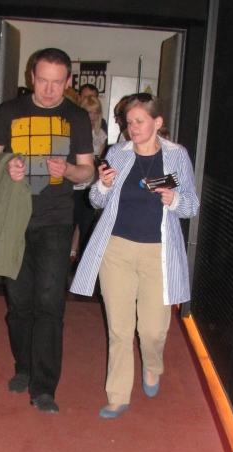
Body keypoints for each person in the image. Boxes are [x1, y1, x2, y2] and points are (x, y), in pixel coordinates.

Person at [70, 93, 199, 418]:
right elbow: (96, 201)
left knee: (153, 330)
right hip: (117, 250)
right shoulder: (118, 153)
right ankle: (117, 395)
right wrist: (102, 185)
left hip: (159, 253)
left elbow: (191, 206)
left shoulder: (176, 155)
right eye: (129, 122)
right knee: (120, 329)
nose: (133, 128)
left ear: (157, 122)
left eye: (140, 121)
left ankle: (152, 365)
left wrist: (173, 199)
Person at [0, 48, 94, 414]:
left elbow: (87, 170)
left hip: (56, 221)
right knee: (19, 305)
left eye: (56, 83)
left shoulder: (76, 117)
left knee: (50, 303)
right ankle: (24, 367)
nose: (48, 89)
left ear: (69, 81)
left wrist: (68, 171)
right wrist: (5, 164)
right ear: (32, 76)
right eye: (42, 81)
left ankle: (44, 387)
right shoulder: (10, 111)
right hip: (13, 220)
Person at [71, 95, 108, 260]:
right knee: (70, 224)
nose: (92, 116)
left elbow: (101, 158)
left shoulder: (100, 133)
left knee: (87, 225)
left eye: (95, 112)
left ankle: (83, 262)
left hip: (91, 184)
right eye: (89, 112)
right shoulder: (74, 130)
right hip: (73, 183)